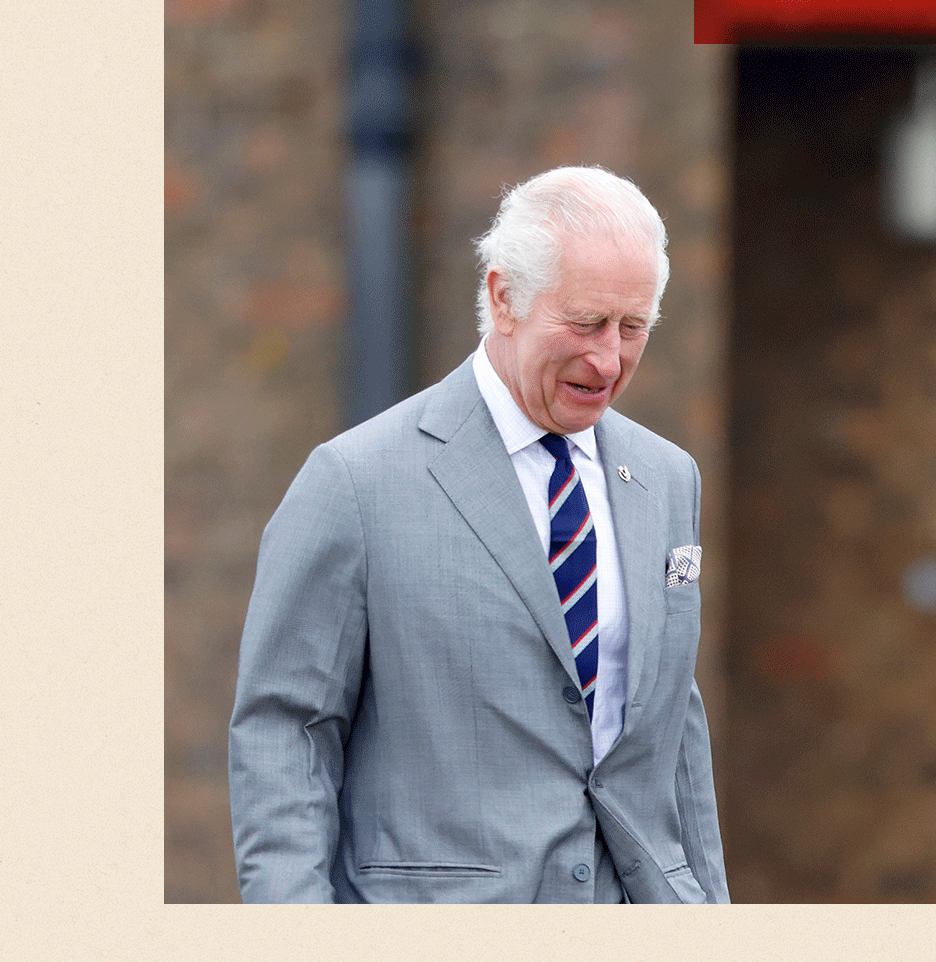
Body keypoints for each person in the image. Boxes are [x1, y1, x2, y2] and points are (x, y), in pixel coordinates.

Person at [230, 165, 727, 903]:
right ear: (503, 298)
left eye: (634, 328)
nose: (609, 359)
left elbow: (672, 733)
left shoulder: (668, 477)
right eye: (587, 323)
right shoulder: (355, 483)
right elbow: (286, 734)